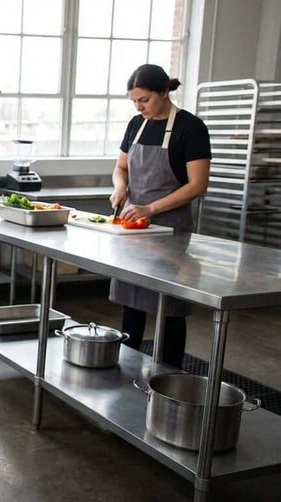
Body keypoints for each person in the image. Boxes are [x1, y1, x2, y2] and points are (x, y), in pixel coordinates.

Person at [109, 64, 211, 369]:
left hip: (171, 230)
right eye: (134, 102)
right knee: (131, 302)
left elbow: (198, 185)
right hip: (133, 226)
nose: (139, 107)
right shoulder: (136, 124)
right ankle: (125, 369)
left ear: (165, 91)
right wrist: (120, 188)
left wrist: (151, 209)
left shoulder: (190, 128)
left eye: (145, 100)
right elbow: (121, 168)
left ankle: (169, 376)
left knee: (170, 308)